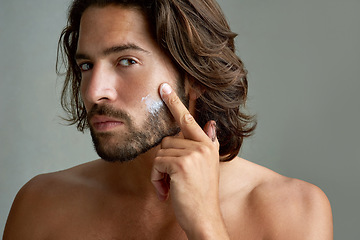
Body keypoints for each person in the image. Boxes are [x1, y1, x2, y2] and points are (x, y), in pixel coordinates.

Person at [3, 0, 333, 239]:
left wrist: (206, 226)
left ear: (194, 76)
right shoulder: (41, 205)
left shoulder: (294, 210)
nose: (94, 92)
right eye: (87, 65)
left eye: (126, 61)